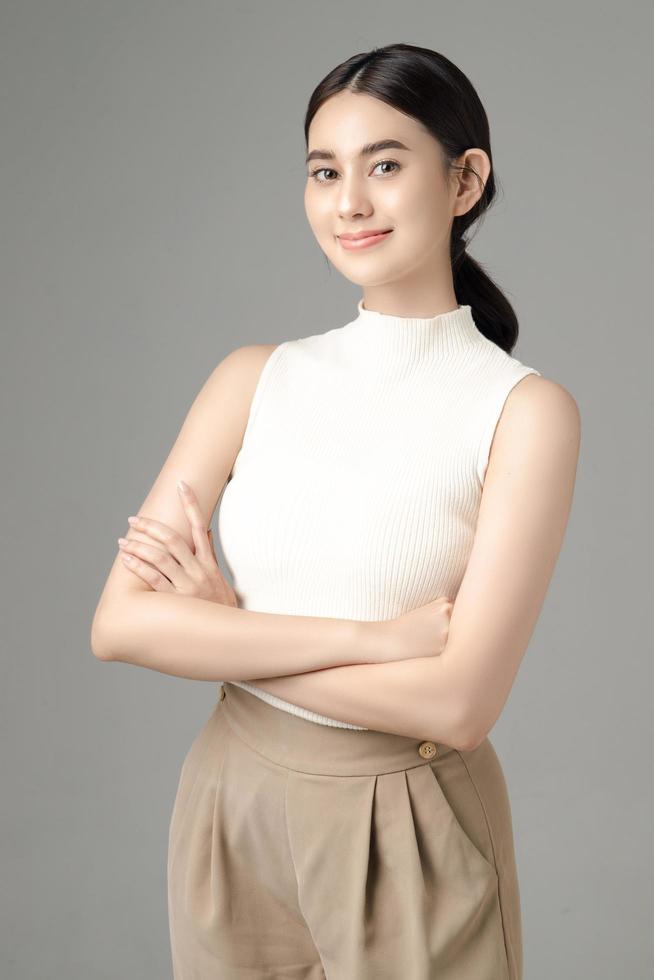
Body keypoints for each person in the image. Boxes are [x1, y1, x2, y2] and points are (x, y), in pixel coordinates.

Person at [91, 42, 581, 980]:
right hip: (228, 803)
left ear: (465, 179)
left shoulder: (524, 412)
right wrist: (376, 638)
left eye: (385, 165)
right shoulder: (251, 379)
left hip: (407, 821)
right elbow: (119, 626)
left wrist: (228, 633)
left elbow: (458, 704)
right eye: (325, 171)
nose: (348, 202)